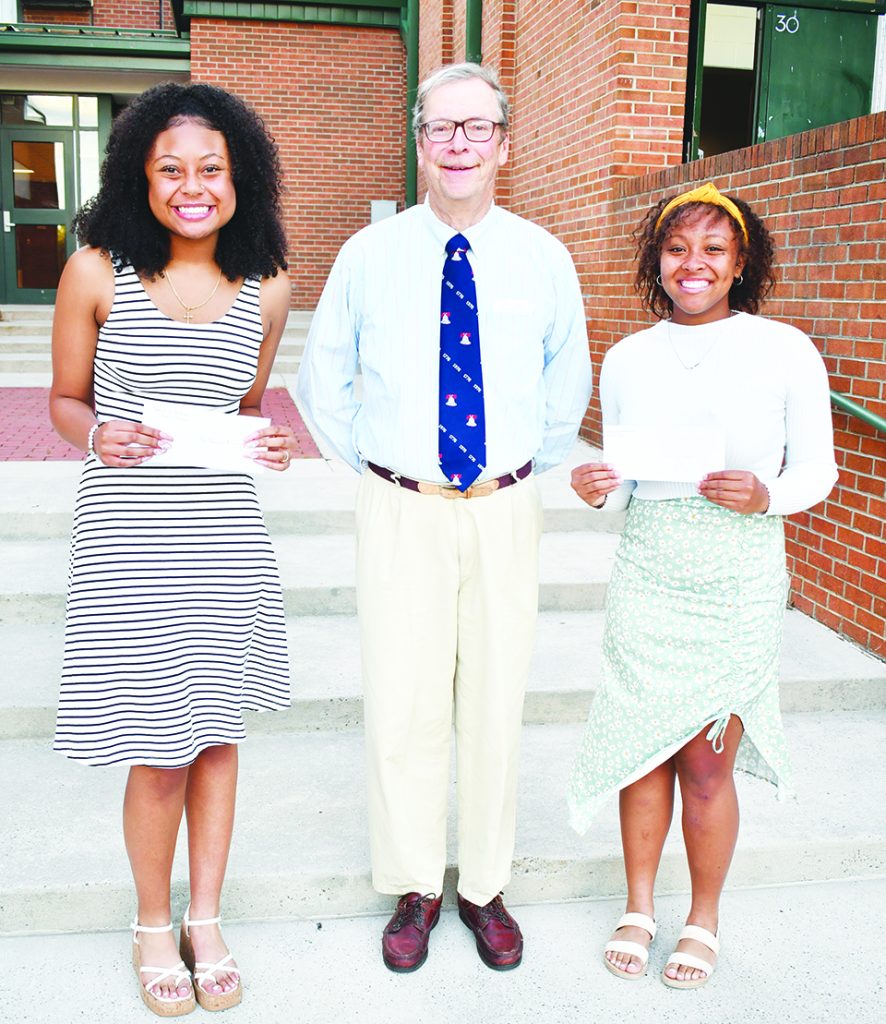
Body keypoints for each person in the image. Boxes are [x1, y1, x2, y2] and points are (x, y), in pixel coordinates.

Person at [298, 62, 592, 972]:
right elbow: (321, 381)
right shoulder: (367, 255)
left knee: (496, 701)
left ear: (505, 143)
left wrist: (511, 474)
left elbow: (564, 385)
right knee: (403, 702)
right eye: (440, 129)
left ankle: (484, 887)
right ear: (420, 144)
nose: (458, 144)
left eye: (476, 128)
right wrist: (385, 471)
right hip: (400, 509)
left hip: (503, 509)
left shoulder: (541, 256)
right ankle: (416, 885)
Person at [49, 82, 295, 1016]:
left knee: (217, 735)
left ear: (241, 179)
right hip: (130, 540)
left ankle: (205, 916)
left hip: (226, 541)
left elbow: (243, 411)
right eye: (170, 170)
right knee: (158, 750)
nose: (192, 186)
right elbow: (66, 401)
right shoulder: (97, 272)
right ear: (138, 179)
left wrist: (269, 442)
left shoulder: (269, 284)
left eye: (211, 169)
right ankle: (152, 922)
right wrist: (94, 432)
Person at [567, 182, 837, 988]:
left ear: (740, 260)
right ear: (658, 258)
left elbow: (817, 469)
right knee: (641, 751)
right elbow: (625, 481)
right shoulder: (626, 358)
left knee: (708, 763)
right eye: (678, 248)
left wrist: (767, 494)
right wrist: (597, 487)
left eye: (713, 248)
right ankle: (640, 906)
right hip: (652, 569)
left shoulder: (784, 348)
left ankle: (703, 916)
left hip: (738, 572)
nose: (694, 263)